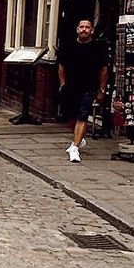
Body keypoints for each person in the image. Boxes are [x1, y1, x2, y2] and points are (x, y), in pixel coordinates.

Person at [57, 18, 110, 162]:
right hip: (71, 86)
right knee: (70, 115)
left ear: (92, 30)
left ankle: (74, 148)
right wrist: (62, 84)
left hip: (89, 87)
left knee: (83, 115)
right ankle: (79, 139)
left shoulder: (98, 48)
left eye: (87, 27)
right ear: (77, 29)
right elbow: (61, 66)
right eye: (81, 27)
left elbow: (104, 70)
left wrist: (102, 89)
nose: (84, 30)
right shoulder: (68, 46)